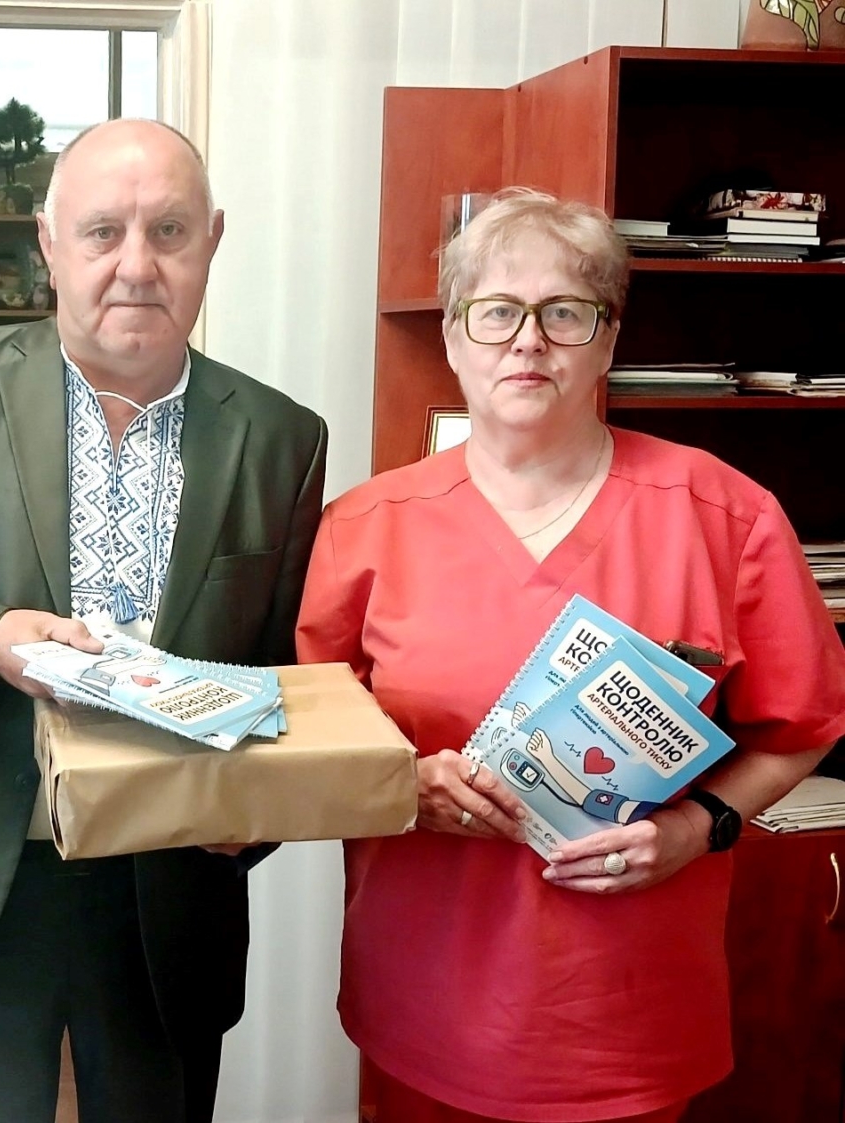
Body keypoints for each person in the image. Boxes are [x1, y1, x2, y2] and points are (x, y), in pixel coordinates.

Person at [0, 118, 327, 1123]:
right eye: (102, 231)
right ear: (48, 243)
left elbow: (283, 679)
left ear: (212, 239)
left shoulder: (280, 438)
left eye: (168, 231)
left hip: (171, 888)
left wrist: (253, 819)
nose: (137, 265)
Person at [295, 188, 845, 1123]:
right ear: (454, 336)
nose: (528, 341)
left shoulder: (727, 515)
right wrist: (403, 784)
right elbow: (313, 741)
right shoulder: (365, 525)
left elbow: (803, 727)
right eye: (497, 312)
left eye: (565, 312)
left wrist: (699, 826)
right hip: (427, 1001)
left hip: (624, 1016)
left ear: (608, 339)